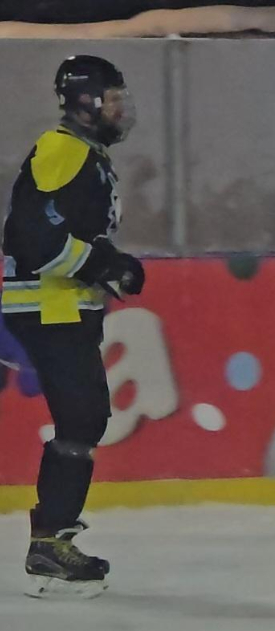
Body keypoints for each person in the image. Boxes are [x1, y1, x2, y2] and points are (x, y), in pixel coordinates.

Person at [1, 55, 145, 598]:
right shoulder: (63, 149)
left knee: (84, 416)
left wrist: (110, 265)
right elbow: (29, 236)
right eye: (113, 99)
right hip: (48, 306)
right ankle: (49, 543)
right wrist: (104, 263)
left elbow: (61, 232)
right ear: (86, 103)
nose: (120, 110)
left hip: (63, 305)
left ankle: (51, 539)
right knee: (83, 415)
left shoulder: (86, 153)